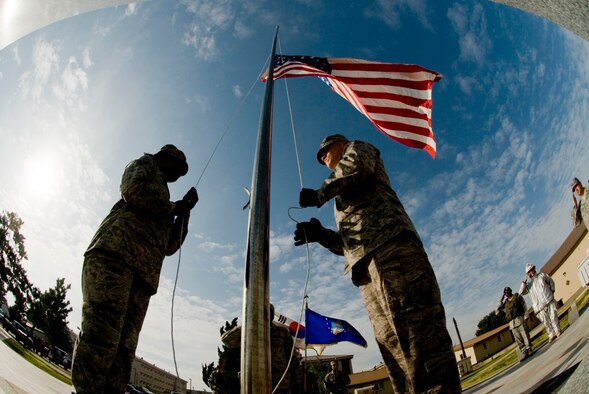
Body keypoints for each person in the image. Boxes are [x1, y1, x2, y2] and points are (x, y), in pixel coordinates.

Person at [294, 134, 461, 394]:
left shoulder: (358, 149)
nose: (322, 155)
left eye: (325, 148)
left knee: (416, 331)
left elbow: (356, 168)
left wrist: (320, 193)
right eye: (320, 154)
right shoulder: (340, 194)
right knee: (391, 341)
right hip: (366, 268)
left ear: (341, 143)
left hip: (392, 250)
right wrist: (320, 236)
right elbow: (350, 243)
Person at [72, 144, 198, 394]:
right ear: (165, 157)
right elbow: (133, 190)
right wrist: (173, 207)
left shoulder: (164, 199)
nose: (179, 176)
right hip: (115, 257)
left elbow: (170, 246)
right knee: (101, 336)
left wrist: (184, 214)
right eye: (178, 169)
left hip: (143, 277)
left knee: (124, 349)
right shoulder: (145, 165)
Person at [519, 263, 561, 343]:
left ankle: (557, 330)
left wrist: (552, 291)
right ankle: (551, 335)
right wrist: (524, 282)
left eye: (532, 270)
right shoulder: (529, 285)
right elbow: (521, 292)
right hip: (538, 307)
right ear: (527, 274)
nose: (531, 272)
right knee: (545, 321)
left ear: (534, 269)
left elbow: (551, 282)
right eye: (529, 272)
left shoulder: (542, 276)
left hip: (548, 300)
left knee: (553, 316)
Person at [497, 287, 533, 361]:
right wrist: (500, 301)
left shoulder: (517, 296)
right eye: (505, 292)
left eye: (507, 291)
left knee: (525, 335)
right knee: (518, 339)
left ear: (511, 291)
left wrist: (526, 316)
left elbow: (524, 305)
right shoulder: (505, 303)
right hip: (512, 323)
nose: (506, 292)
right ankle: (523, 351)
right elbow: (497, 313)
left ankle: (529, 349)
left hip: (519, 318)